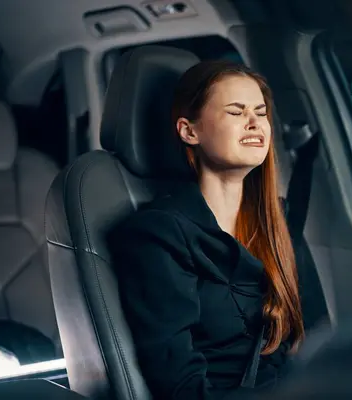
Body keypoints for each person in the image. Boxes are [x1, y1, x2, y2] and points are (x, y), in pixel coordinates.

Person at [108, 59, 326, 399]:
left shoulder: (275, 223)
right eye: (236, 112)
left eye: (261, 112)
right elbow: (182, 388)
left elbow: (313, 338)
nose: (256, 123)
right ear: (189, 131)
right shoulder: (157, 234)